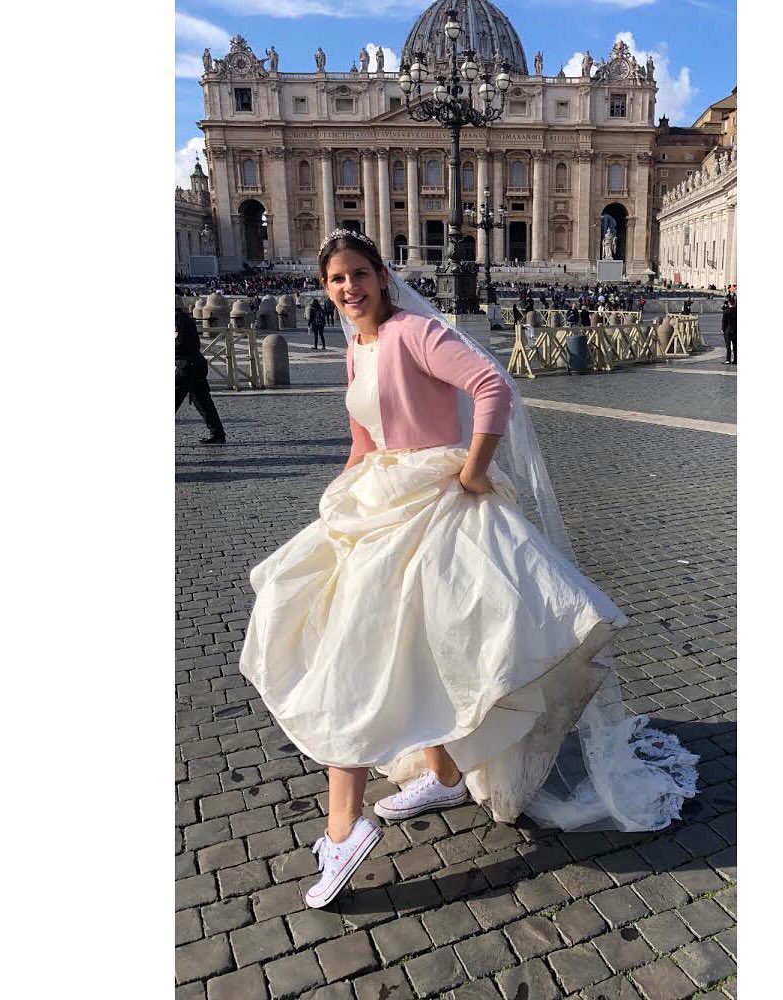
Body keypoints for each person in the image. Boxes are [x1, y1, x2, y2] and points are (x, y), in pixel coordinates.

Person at [239, 230, 697, 909]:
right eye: (337, 278)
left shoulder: (411, 333)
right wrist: (338, 504)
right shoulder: (356, 349)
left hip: (435, 500)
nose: (348, 288)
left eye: (359, 274)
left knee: (356, 657)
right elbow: (364, 441)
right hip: (380, 503)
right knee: (421, 649)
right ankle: (445, 774)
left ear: (383, 275)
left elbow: (490, 385)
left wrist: (475, 469)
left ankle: (344, 825)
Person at [175, 306, 226, 445]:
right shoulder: (184, 317)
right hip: (194, 365)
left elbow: (181, 343)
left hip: (186, 367)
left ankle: (218, 434)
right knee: (203, 402)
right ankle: (218, 434)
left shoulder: (178, 319)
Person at [721, 293, 737, 365]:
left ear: (729, 303)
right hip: (736, 330)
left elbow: (724, 322)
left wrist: (722, 329)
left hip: (728, 330)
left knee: (728, 346)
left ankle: (728, 359)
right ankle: (735, 359)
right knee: (735, 346)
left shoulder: (726, 312)